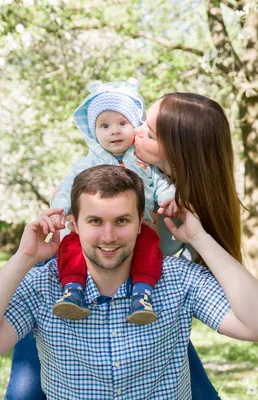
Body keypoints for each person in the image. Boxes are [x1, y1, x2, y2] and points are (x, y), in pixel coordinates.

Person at [0, 165, 258, 399]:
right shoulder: (44, 285)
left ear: (141, 223)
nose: (109, 236)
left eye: (122, 220)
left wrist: (199, 238)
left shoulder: (176, 278)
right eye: (95, 221)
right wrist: (23, 259)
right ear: (74, 224)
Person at [4, 92, 258, 399]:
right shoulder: (115, 168)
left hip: (145, 296)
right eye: (141, 123)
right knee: (27, 389)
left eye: (148, 133)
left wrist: (194, 240)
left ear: (177, 154)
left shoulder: (185, 201)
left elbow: (213, 287)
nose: (135, 130)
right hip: (74, 285)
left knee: (188, 382)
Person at [50, 79, 175, 325]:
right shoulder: (88, 161)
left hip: (140, 226)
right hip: (94, 227)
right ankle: (73, 288)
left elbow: (160, 184)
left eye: (122, 123)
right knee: (71, 245)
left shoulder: (143, 161)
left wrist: (170, 199)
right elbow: (67, 188)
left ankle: (142, 293)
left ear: (135, 126)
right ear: (93, 132)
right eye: (104, 126)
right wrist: (59, 209)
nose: (114, 131)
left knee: (149, 247)